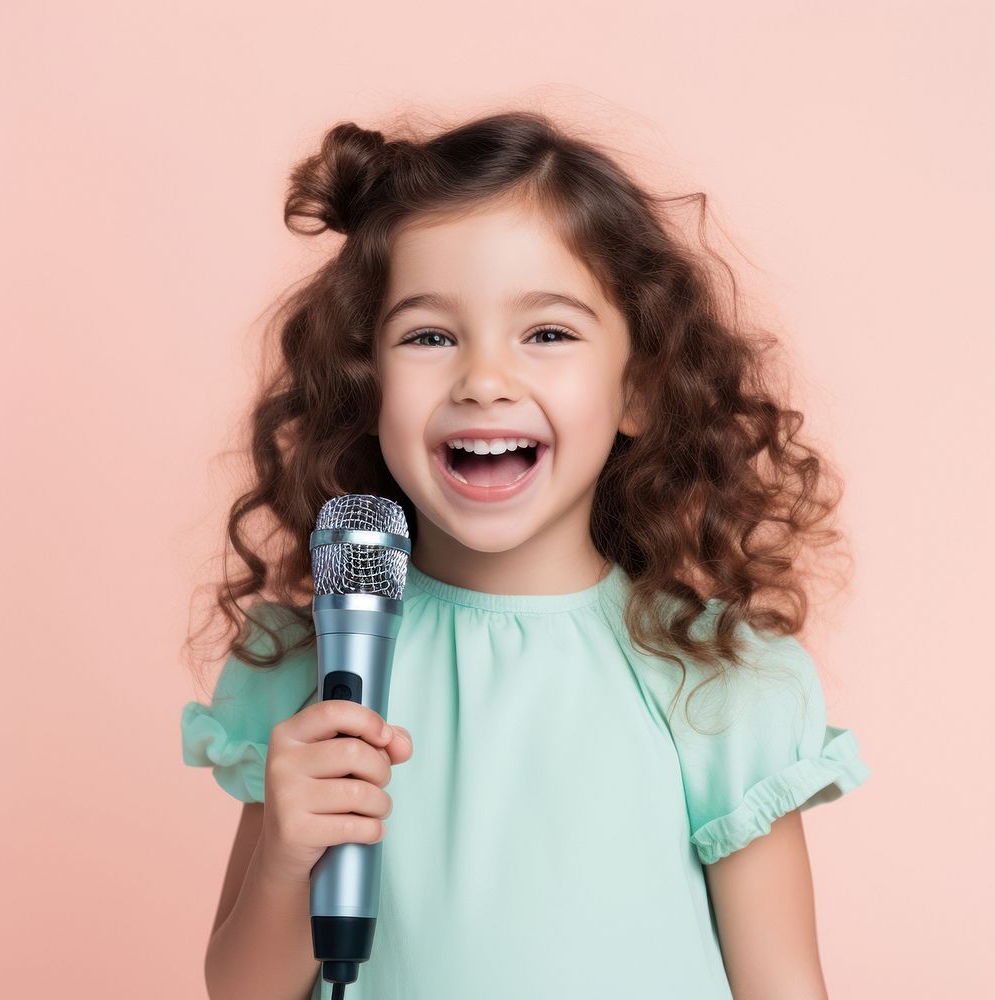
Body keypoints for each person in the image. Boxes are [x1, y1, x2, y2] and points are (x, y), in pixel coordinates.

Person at [180, 110, 871, 1000]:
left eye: (547, 333)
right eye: (429, 336)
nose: (483, 380)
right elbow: (240, 991)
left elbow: (783, 983)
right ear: (367, 381)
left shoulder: (712, 678)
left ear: (641, 389)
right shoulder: (312, 667)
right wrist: (286, 860)